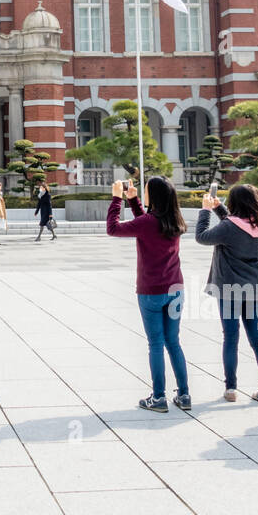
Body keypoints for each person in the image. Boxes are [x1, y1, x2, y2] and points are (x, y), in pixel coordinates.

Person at [107, 176, 191, 413]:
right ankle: (184, 395)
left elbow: (113, 229)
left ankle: (159, 397)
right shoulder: (175, 220)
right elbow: (146, 222)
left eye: (144, 190)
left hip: (151, 291)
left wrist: (116, 198)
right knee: (173, 342)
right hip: (175, 289)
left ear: (153, 196)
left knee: (156, 343)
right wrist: (133, 201)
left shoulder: (148, 223)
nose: (142, 192)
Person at [196, 182, 258, 405]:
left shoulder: (229, 227)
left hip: (229, 288)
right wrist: (218, 208)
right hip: (253, 287)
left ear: (235, 203)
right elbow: (235, 225)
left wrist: (204, 211)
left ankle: (231, 388)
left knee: (231, 338)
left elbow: (202, 237)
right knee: (257, 339)